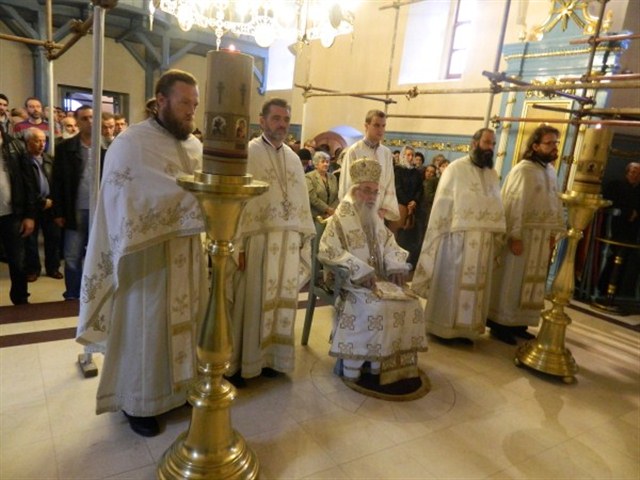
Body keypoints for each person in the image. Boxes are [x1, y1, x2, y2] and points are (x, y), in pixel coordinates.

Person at [76, 69, 207, 437]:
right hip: (145, 258)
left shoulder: (195, 147)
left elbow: (200, 191)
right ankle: (139, 402)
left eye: (195, 105)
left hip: (186, 252)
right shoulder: (131, 143)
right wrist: (192, 202)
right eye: (184, 103)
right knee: (145, 327)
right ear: (161, 100)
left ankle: (181, 388)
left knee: (186, 321)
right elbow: (124, 200)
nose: (191, 112)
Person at [317, 157, 427, 393]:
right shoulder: (341, 216)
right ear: (354, 190)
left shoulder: (375, 217)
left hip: (379, 280)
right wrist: (360, 270)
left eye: (375, 192)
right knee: (376, 308)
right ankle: (355, 366)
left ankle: (383, 364)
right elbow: (328, 250)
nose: (371, 197)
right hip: (350, 281)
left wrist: (396, 265)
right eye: (366, 190)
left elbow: (389, 244)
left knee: (412, 303)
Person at [227, 98, 315, 386]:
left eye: (286, 119)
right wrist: (237, 245)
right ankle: (241, 364)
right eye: (276, 118)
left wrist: (301, 238)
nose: (281, 124)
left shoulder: (293, 158)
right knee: (251, 301)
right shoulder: (248, 153)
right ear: (262, 120)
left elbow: (300, 201)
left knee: (281, 304)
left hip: (287, 242)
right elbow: (236, 201)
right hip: (257, 241)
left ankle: (272, 360)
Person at [413, 128, 506, 343]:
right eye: (487, 142)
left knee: (477, 287)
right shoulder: (455, 169)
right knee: (452, 283)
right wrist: (440, 234)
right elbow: (442, 205)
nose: (490, 148)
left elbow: (496, 205)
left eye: (493, 144)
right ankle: (445, 329)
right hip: (457, 239)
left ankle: (468, 330)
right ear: (474, 144)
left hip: (483, 240)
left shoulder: (492, 174)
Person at [487, 125, 565, 344]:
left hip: (541, 237)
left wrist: (553, 232)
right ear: (535, 145)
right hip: (523, 235)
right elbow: (513, 204)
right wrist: (515, 236)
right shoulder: (523, 170)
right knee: (513, 279)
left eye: (556, 143)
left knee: (532, 282)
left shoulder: (550, 171)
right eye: (549, 143)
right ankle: (501, 324)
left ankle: (519, 323)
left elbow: (555, 203)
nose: (554, 147)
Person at [51, 106, 105, 300]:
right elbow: (57, 181)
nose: (90, 121)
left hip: (101, 210)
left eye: (93, 117)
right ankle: (73, 294)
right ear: (77, 121)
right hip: (74, 209)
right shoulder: (65, 148)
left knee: (99, 254)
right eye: (85, 118)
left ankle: (96, 294)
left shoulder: (107, 148)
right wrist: (58, 212)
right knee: (72, 255)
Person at [338, 109, 399, 222]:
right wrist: (354, 211)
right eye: (376, 125)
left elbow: (389, 181)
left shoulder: (386, 153)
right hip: (357, 213)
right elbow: (347, 183)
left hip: (379, 214)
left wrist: (384, 210)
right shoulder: (354, 151)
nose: (381, 130)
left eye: (383, 126)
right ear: (366, 126)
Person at [0, 126, 36, 304]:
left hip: (12, 213)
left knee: (18, 261)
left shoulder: (16, 146)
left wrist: (29, 215)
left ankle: (20, 300)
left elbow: (28, 182)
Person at [23, 128, 62, 281]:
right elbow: (24, 187)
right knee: (30, 241)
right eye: (37, 141)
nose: (41, 144)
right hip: (32, 206)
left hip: (50, 205)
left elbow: (56, 183)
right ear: (28, 142)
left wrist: (52, 201)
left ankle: (53, 268)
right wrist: (40, 202)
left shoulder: (49, 159)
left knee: (53, 238)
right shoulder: (22, 161)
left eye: (44, 141)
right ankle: (33, 269)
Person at [388, 145, 422, 267]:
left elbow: (419, 189)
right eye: (408, 155)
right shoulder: (398, 170)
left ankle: (405, 259)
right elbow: (398, 188)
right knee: (396, 233)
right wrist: (408, 202)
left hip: (413, 206)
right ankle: (392, 259)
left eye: (412, 155)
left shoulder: (417, 172)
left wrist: (414, 201)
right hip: (400, 205)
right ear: (403, 156)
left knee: (408, 234)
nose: (410, 157)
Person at [306, 151, 339, 219]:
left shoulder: (333, 177)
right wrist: (327, 209)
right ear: (316, 164)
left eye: (327, 162)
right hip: (316, 215)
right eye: (323, 162)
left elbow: (337, 196)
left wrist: (331, 211)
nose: (326, 164)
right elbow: (312, 198)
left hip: (331, 215)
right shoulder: (309, 177)